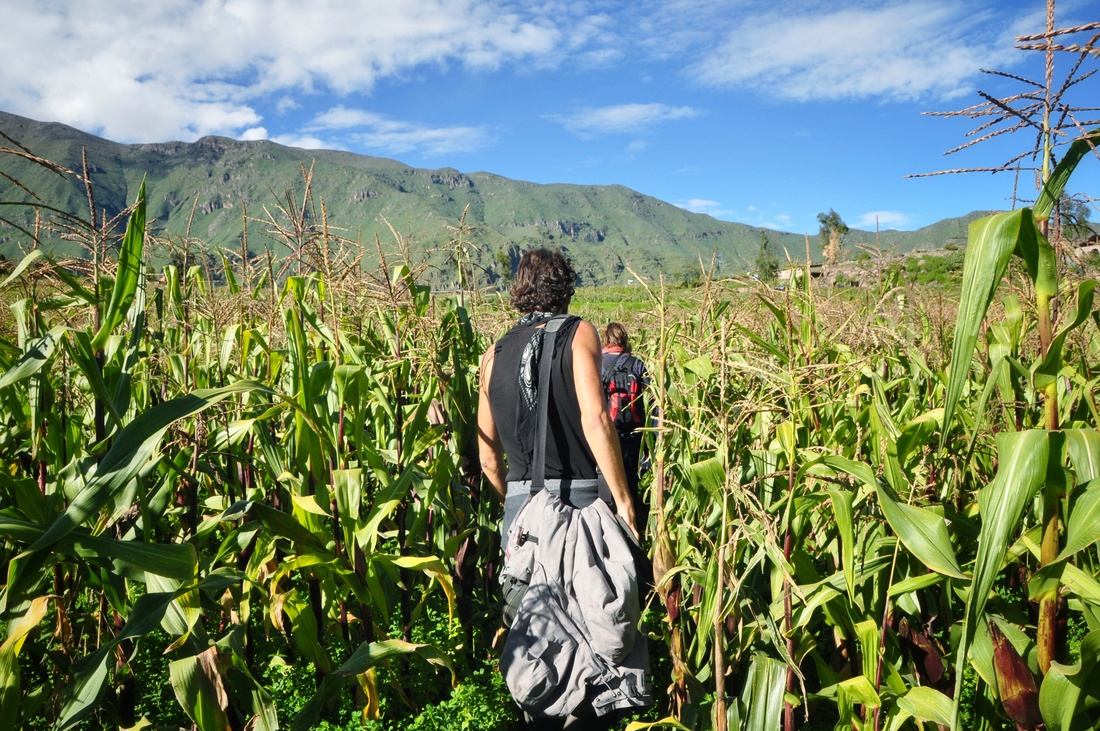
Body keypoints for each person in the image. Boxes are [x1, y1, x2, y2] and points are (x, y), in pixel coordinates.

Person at [477, 248, 645, 729]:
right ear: (565, 287)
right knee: (596, 640)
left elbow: (488, 456)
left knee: (537, 642)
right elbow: (595, 419)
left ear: (520, 289)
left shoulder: (493, 354)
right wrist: (625, 501)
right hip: (579, 504)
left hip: (520, 513)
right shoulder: (579, 332)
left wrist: (521, 508)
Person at [600, 322, 649, 529]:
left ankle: (609, 525)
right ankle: (634, 526)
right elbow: (653, 402)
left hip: (606, 434)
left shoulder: (597, 363)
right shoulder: (637, 364)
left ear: (606, 339)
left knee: (607, 479)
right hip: (635, 433)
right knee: (630, 479)